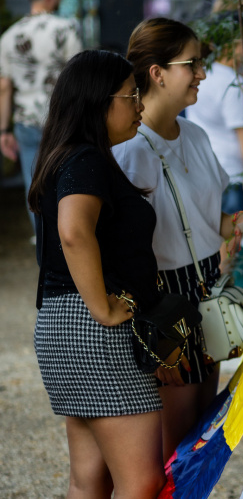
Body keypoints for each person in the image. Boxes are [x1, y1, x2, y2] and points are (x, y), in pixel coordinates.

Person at [114, 17, 243, 461]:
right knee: (176, 446)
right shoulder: (127, 151)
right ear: (157, 73)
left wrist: (239, 221)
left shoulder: (197, 135)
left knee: (203, 435)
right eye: (193, 63)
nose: (203, 73)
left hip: (207, 292)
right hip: (165, 301)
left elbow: (205, 219)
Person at [29, 50, 165, 498]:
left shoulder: (68, 156)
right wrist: (104, 309)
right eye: (131, 95)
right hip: (94, 329)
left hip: (62, 323)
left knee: (88, 480)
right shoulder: (85, 160)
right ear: (98, 102)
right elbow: (73, 231)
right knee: (141, 481)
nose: (140, 105)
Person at [0, 0, 83, 237]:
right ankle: (71, 243)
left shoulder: (9, 37)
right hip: (64, 121)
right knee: (68, 183)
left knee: (34, 186)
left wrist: (4, 131)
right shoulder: (67, 28)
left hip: (26, 123)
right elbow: (80, 75)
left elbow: (4, 87)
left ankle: (44, 245)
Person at [186, 11, 243, 215]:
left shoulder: (205, 75)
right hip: (233, 180)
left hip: (205, 174)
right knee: (236, 241)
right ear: (235, 43)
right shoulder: (233, 83)